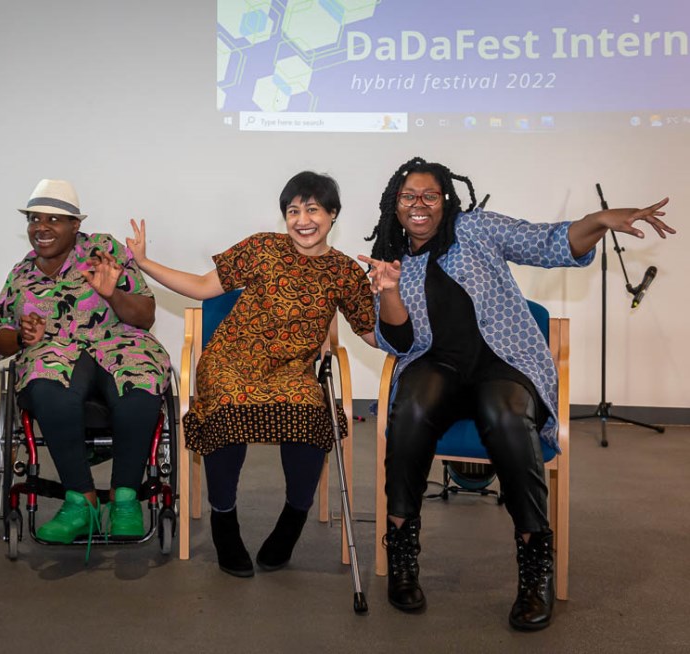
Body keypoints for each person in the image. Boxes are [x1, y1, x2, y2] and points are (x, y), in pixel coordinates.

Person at [362, 156, 673, 630]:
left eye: (429, 195)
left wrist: (600, 221)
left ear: (446, 199)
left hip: (502, 362)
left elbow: (548, 242)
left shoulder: (477, 228)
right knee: (410, 406)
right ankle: (402, 551)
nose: (418, 205)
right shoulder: (391, 257)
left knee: (505, 414)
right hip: (436, 366)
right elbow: (400, 344)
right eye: (408, 197)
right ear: (395, 204)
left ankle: (535, 569)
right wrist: (387, 291)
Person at [128, 171, 378, 577]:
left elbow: (371, 333)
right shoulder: (262, 247)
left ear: (333, 214)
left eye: (312, 209)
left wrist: (395, 297)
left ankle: (292, 521)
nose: (302, 219)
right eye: (293, 210)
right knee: (227, 407)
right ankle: (224, 522)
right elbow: (203, 286)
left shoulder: (345, 272)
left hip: (292, 369)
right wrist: (143, 262)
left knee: (311, 413)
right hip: (231, 359)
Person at [0, 179, 171, 547]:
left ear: (75, 225)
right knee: (45, 383)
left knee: (140, 382)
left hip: (119, 344)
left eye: (54, 219)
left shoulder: (104, 250)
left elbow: (145, 315)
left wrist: (112, 293)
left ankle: (125, 501)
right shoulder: (21, 275)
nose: (41, 227)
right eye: (35, 219)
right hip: (54, 354)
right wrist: (22, 338)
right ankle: (80, 503)